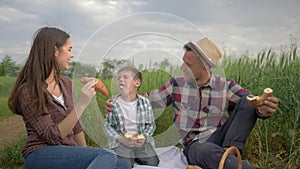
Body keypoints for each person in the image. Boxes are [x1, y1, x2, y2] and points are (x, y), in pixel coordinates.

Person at [106, 37, 279, 169]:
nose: (182, 67)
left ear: (204, 67)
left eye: (187, 64)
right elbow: (148, 99)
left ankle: (228, 158)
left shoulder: (225, 86)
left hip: (221, 139)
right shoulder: (176, 85)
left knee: (247, 101)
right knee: (202, 150)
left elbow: (253, 105)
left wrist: (262, 109)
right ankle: (232, 163)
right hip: (195, 146)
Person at [8, 27, 131, 169]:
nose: (72, 55)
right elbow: (52, 137)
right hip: (40, 154)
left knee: (122, 164)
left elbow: (76, 127)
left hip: (67, 153)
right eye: (69, 49)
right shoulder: (29, 90)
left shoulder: (66, 83)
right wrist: (82, 104)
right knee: (107, 155)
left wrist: (86, 155)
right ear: (55, 51)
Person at [103, 66, 159, 168]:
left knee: (153, 162)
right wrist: (120, 138)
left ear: (137, 83)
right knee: (124, 164)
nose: (121, 80)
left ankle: (135, 154)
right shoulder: (113, 103)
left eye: (125, 77)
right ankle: (129, 155)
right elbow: (107, 126)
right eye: (119, 78)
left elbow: (151, 125)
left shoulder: (144, 102)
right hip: (121, 142)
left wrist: (145, 136)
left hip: (140, 142)